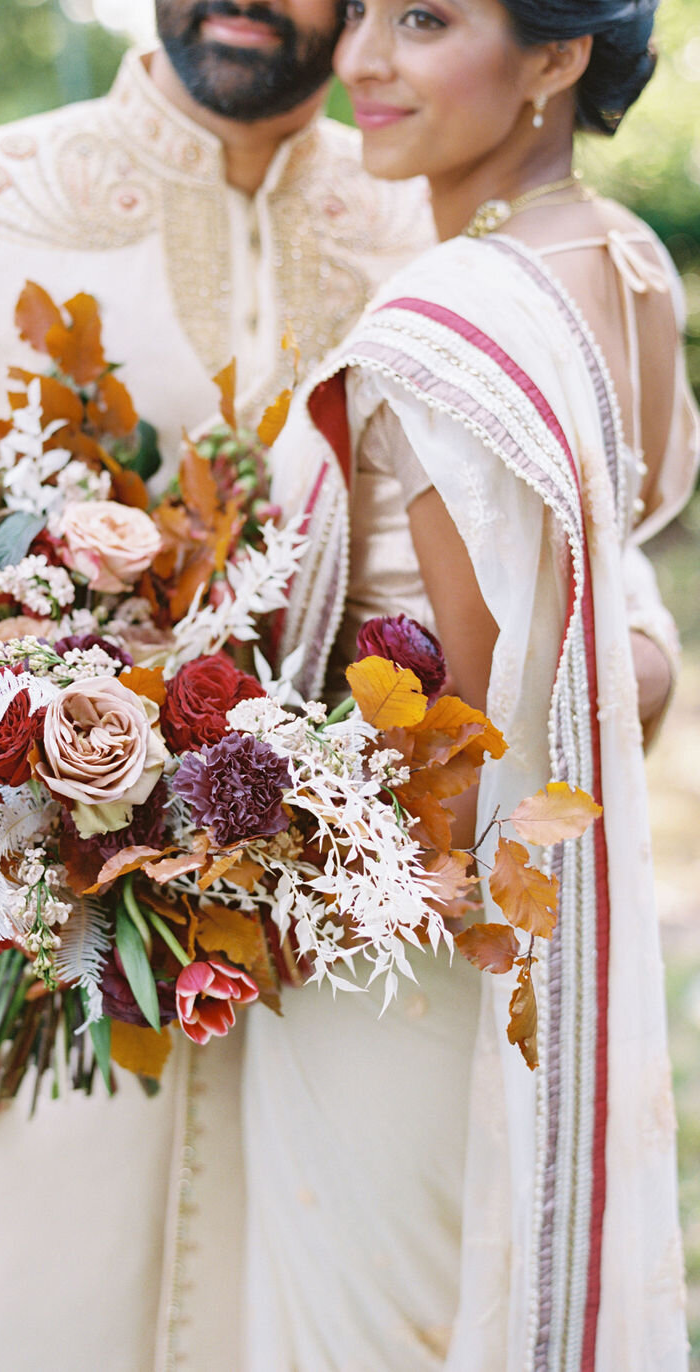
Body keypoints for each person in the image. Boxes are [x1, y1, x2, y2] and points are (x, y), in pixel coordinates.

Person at [0, 1, 682, 1366]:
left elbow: (574, 549)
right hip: (50, 953)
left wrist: (625, 671)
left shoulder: (419, 202)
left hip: (340, 970)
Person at [264, 0, 698, 1366]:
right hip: (530, 910)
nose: (358, 62)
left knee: (379, 1325)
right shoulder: (626, 262)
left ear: (560, 57)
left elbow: (480, 705)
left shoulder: (451, 316)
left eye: (427, 19)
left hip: (405, 929)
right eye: (367, 15)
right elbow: (602, 604)